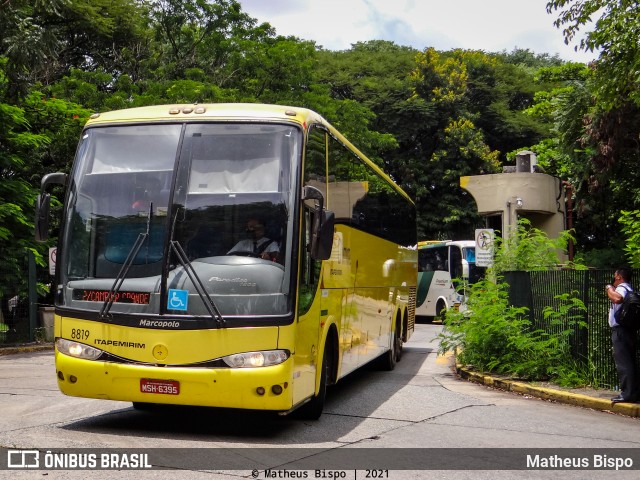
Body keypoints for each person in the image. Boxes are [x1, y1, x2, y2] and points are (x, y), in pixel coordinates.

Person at [606, 266, 639, 403]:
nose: (614, 278)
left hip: (620, 331)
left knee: (624, 363)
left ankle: (627, 394)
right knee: (630, 361)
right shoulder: (630, 289)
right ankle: (633, 392)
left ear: (619, 276)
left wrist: (609, 288)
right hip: (629, 330)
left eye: (615, 276)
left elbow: (617, 299)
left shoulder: (621, 289)